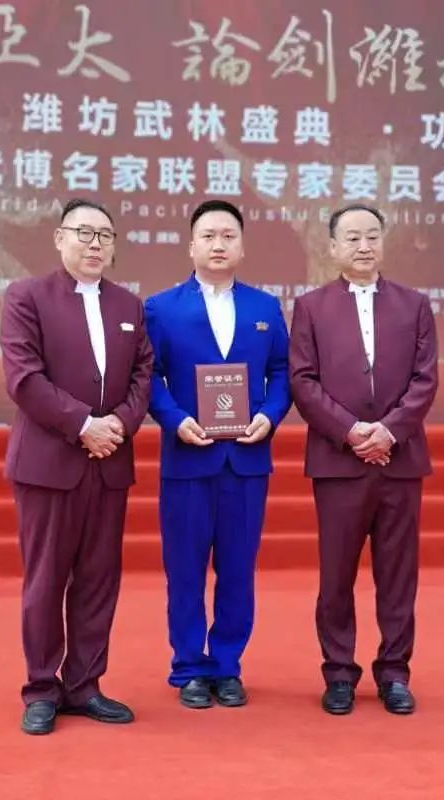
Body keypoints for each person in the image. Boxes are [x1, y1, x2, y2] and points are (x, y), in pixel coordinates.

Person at [0, 198, 153, 734]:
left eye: (105, 236)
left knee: (98, 578)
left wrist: (120, 426)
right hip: (49, 463)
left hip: (109, 463)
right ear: (60, 238)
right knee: (46, 579)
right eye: (84, 233)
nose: (94, 244)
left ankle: (85, 684)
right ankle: (42, 688)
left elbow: (143, 376)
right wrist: (84, 424)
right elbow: (24, 378)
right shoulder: (27, 297)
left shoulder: (129, 305)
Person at [289, 204, 438, 715]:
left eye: (372, 235)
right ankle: (339, 673)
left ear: (383, 243)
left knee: (398, 574)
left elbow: (425, 380)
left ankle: (394, 672)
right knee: (336, 575)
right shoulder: (311, 307)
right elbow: (303, 381)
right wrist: (351, 431)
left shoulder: (415, 305)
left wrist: (389, 431)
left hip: (400, 460)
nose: (363, 245)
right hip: (339, 462)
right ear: (332, 247)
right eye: (352, 237)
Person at [144, 199, 291, 709]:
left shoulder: (264, 308)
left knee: (237, 569)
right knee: (184, 569)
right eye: (208, 236)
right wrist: (174, 419)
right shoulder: (161, 308)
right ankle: (189, 667)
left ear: (242, 246)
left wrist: (270, 414)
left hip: (246, 460)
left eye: (228, 235)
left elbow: (282, 372)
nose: (218, 244)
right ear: (191, 246)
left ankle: (227, 665)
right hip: (187, 458)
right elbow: (148, 376)